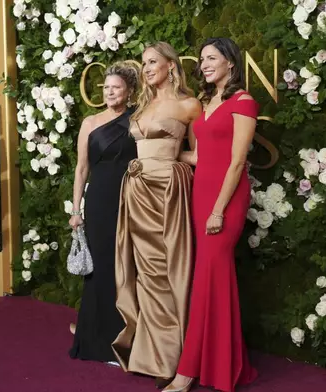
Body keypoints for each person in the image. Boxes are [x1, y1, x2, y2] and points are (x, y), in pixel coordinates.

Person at [164, 37, 259, 392]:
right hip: (200, 195)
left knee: (209, 280)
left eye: (212, 58)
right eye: (202, 58)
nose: (204, 64)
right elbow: (200, 157)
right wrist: (162, 154)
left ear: (230, 62)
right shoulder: (207, 102)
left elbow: (236, 163)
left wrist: (219, 210)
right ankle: (224, 364)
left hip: (226, 200)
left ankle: (188, 372)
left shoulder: (243, 102)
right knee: (211, 281)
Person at [111, 42, 201, 388]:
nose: (147, 68)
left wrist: (169, 161)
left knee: (166, 269)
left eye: (153, 62)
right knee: (145, 271)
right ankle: (149, 355)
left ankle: (174, 357)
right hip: (136, 189)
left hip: (167, 192)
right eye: (144, 63)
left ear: (171, 66)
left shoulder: (189, 105)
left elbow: (199, 155)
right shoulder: (143, 105)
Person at [67, 61, 139, 363]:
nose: (109, 92)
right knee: (101, 271)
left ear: (129, 91)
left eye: (116, 88)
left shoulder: (137, 120)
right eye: (106, 87)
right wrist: (75, 209)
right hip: (97, 202)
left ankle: (127, 338)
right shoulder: (91, 123)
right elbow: (82, 168)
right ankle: (98, 340)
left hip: (129, 200)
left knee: (126, 268)